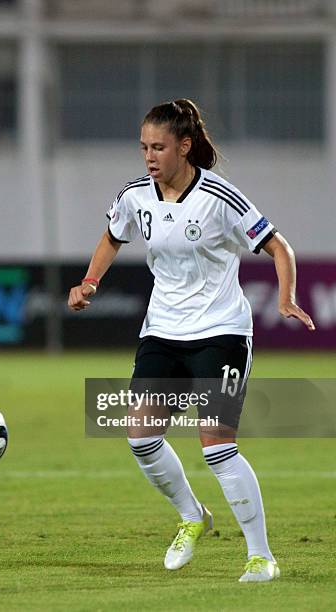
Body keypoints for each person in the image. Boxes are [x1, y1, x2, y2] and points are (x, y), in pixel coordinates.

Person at [68, 99, 316, 582]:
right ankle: (193, 516)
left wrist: (285, 298)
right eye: (143, 147)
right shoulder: (136, 196)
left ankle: (261, 556)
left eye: (158, 146)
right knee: (140, 435)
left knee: (216, 446)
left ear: (184, 146)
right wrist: (90, 282)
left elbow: (278, 246)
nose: (149, 156)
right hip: (163, 331)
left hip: (220, 333)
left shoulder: (221, 198)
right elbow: (113, 236)